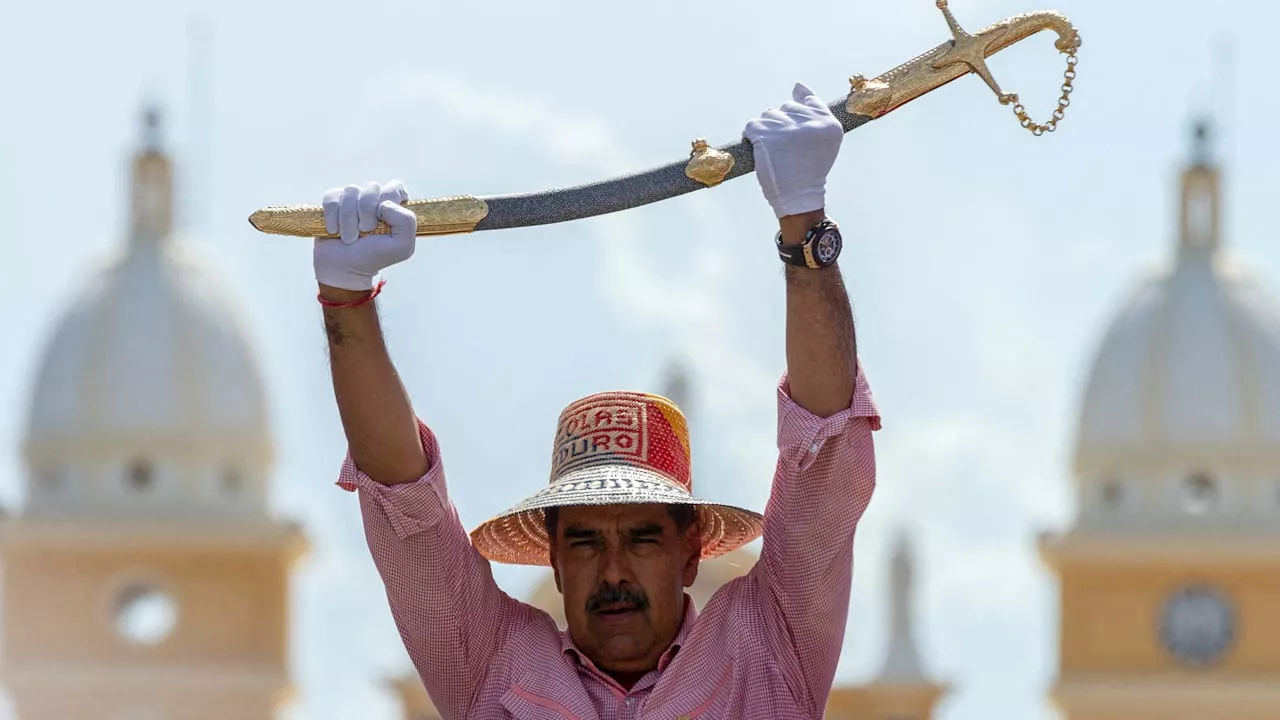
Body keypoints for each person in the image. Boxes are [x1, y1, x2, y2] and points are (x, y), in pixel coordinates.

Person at [315, 82, 880, 719]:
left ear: (690, 551)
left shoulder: (765, 648)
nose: (613, 571)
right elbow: (407, 509)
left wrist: (805, 224)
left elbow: (824, 452)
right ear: (554, 561)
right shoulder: (496, 666)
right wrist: (346, 300)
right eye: (584, 542)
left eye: (641, 538)